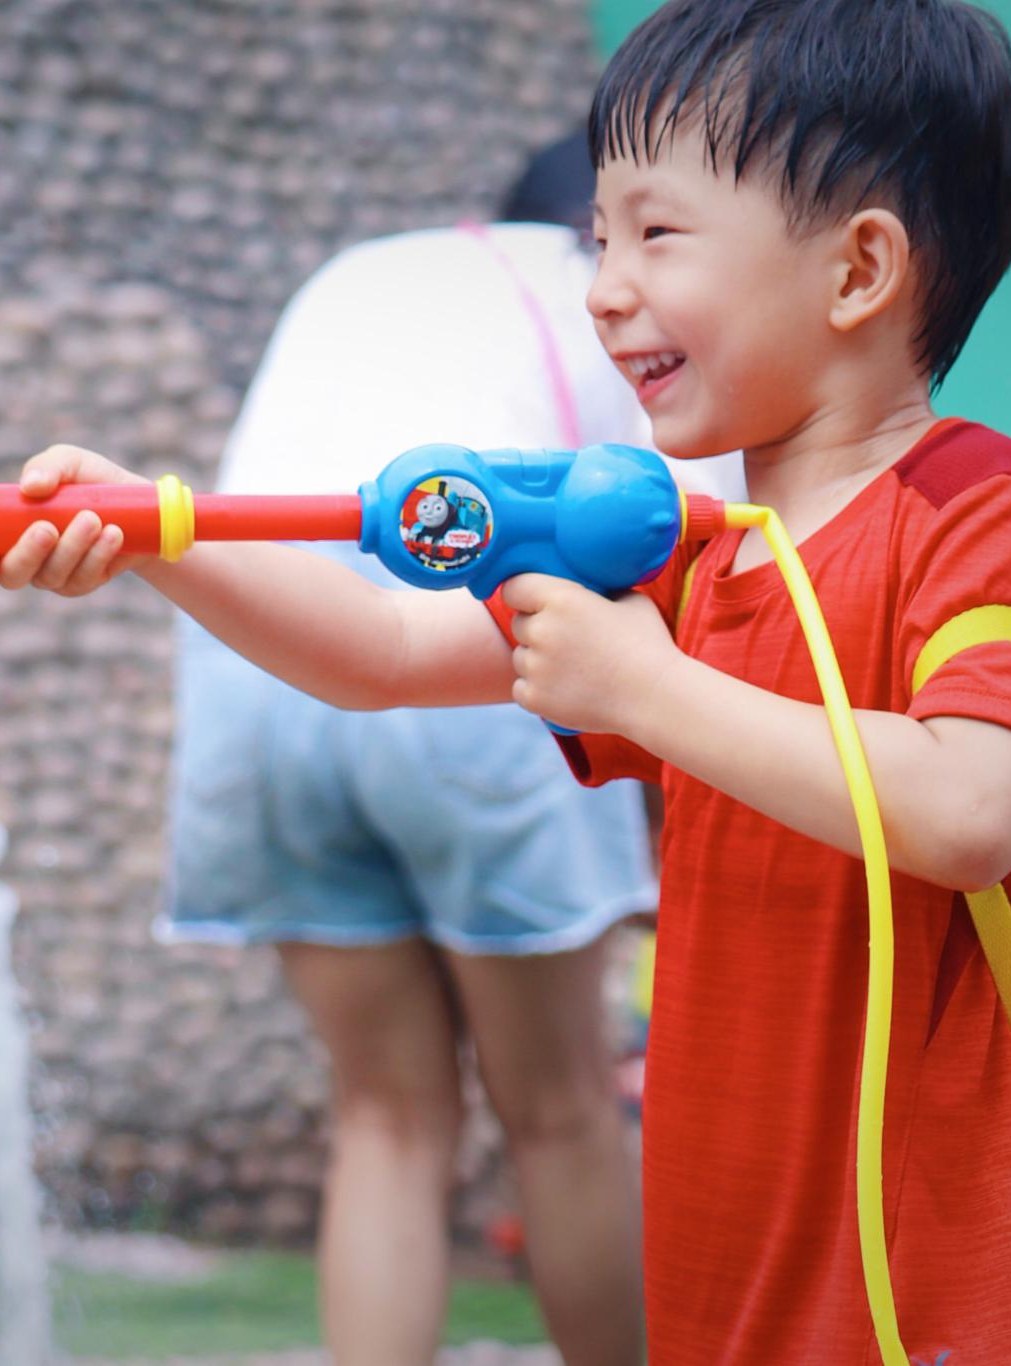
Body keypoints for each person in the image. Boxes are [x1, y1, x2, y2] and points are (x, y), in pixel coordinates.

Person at [0, 1, 1011, 1360]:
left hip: (929, 1293)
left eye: (657, 233)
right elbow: (380, 655)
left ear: (859, 270)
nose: (604, 286)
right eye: (599, 238)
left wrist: (646, 689)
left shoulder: (975, 504)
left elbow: (971, 805)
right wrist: (163, 531)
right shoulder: (696, 548)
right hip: (727, 1268)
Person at [165, 138, 735, 1366]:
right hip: (461, 623)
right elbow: (671, 567)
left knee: (382, 1115)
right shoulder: (623, 308)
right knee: (560, 1113)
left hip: (251, 649)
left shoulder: (369, 270)